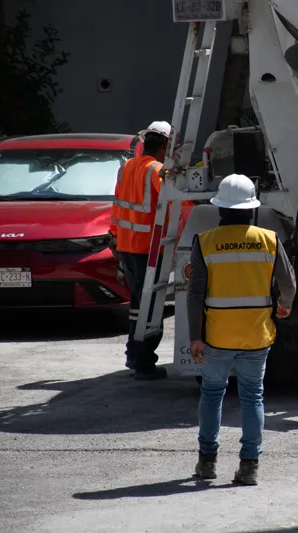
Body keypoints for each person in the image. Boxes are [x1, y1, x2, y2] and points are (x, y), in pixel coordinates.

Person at [187, 173, 297, 486]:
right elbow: (287, 285)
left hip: (217, 336)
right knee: (253, 398)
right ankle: (249, 466)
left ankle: (207, 462)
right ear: (252, 209)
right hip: (256, 334)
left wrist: (195, 336)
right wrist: (285, 305)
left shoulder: (205, 242)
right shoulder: (269, 240)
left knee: (212, 394)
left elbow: (195, 293)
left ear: (219, 209)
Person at [109, 120, 171, 381]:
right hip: (149, 249)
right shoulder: (157, 171)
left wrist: (113, 237)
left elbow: (116, 205)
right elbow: (178, 198)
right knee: (151, 306)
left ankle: (134, 354)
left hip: (126, 245)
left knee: (137, 304)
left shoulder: (126, 168)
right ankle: (144, 360)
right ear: (165, 145)